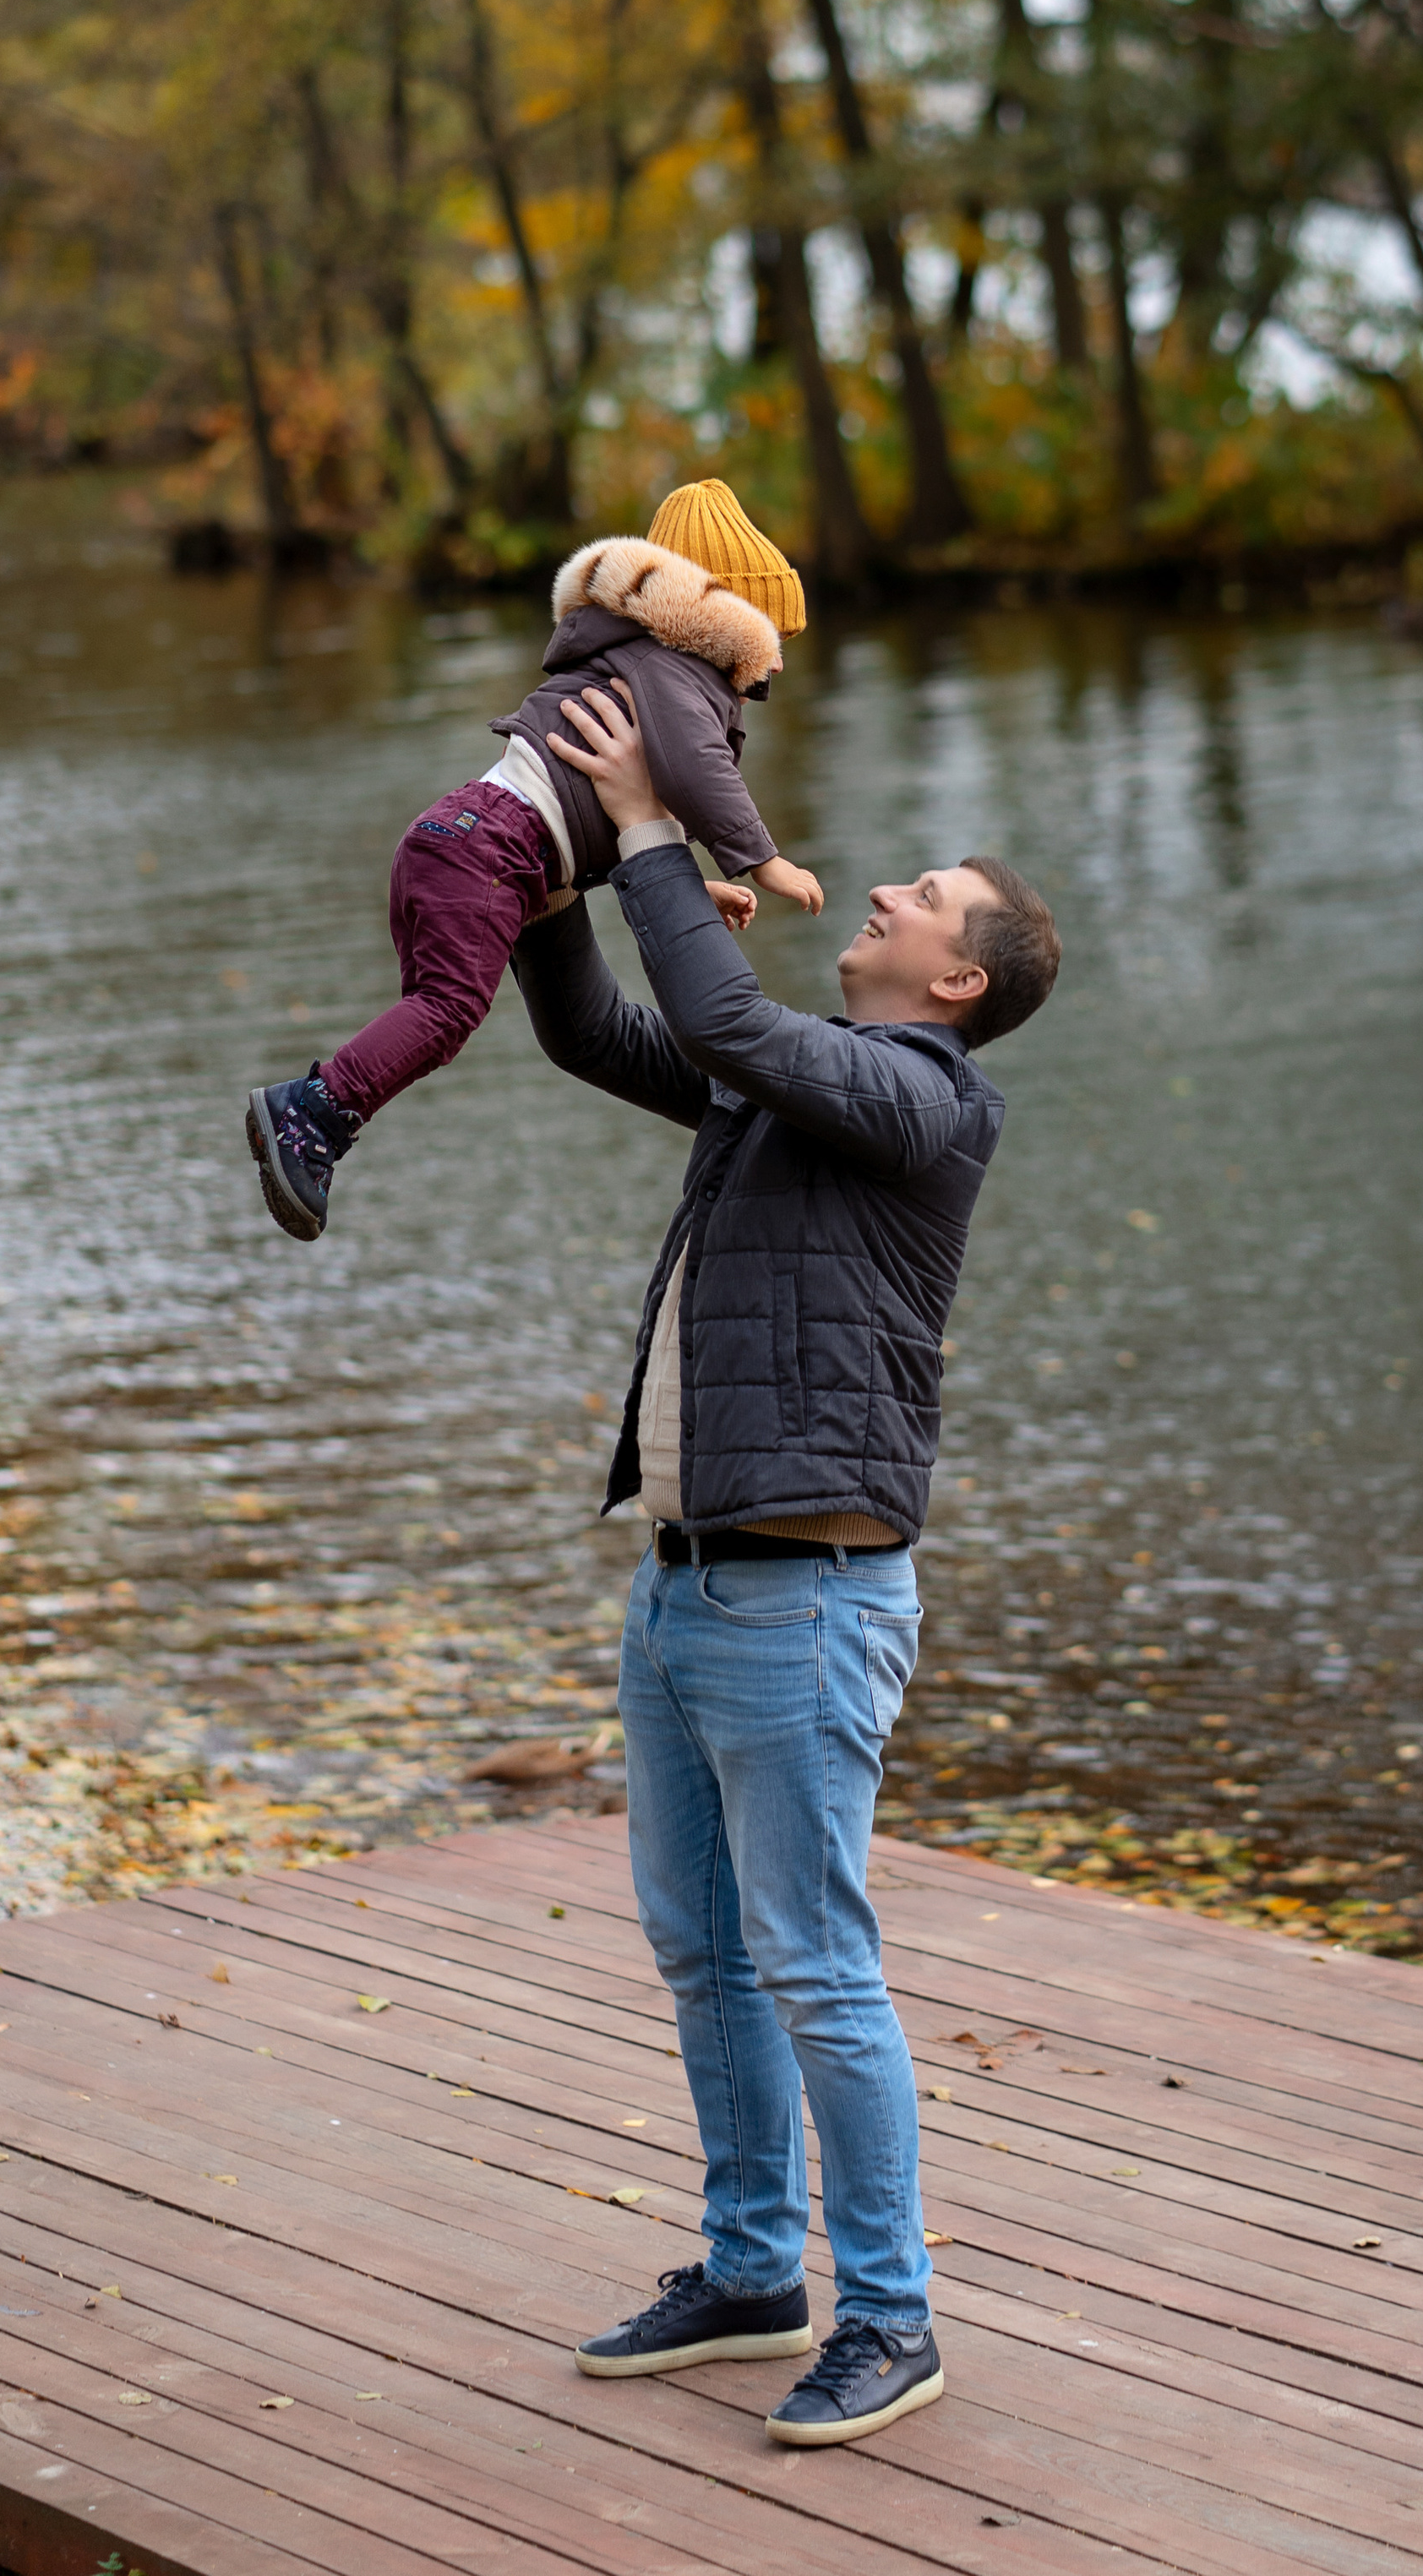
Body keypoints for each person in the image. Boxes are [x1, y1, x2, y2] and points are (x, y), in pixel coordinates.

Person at [512, 675, 1060, 2448]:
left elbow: (725, 1019)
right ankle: (754, 2273)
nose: (884, 891)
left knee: (814, 1963)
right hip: (683, 1584)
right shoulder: (791, 1088)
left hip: (805, 1602)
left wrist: (656, 833)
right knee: (705, 1951)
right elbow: (602, 1032)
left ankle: (890, 2317)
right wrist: (550, 858)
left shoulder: (922, 1102)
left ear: (957, 983)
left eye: (923, 897)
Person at [243, 483, 823, 1241]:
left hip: (469, 840)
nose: (778, 658)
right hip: (495, 851)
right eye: (776, 635)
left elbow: (591, 814)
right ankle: (314, 1110)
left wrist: (686, 882)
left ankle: (317, 1114)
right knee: (448, 1010)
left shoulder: (631, 662)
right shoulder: (679, 671)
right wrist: (762, 860)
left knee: (437, 1010)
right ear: (729, 619)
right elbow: (696, 770)